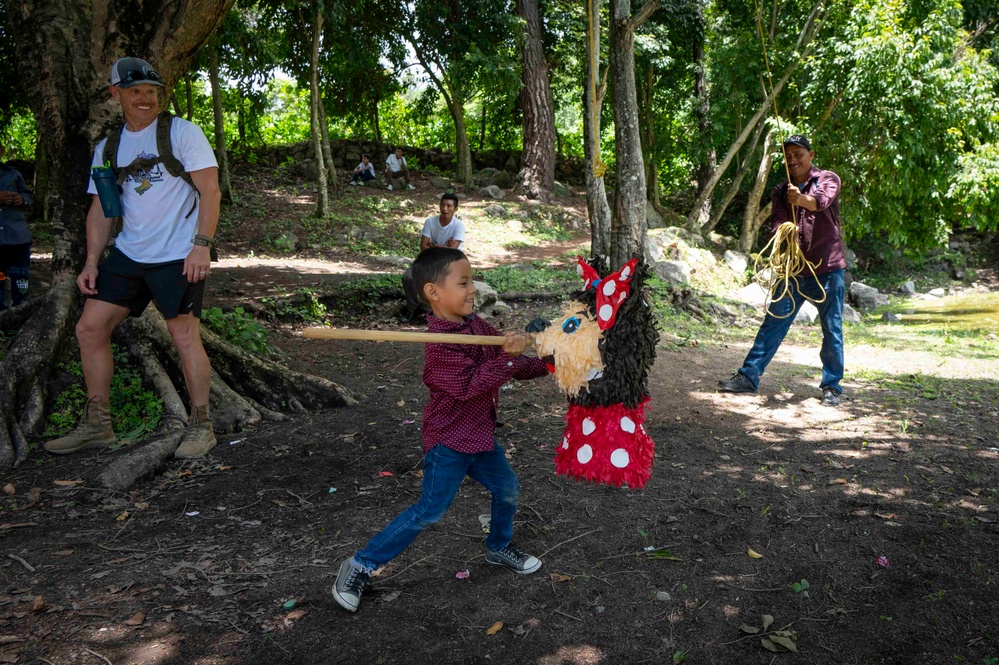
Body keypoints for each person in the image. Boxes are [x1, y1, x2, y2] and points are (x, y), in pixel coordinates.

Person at [332, 246, 549, 613]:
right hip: (449, 442)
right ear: (433, 292)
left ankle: (498, 548)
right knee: (430, 511)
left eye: (471, 281)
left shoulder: (477, 327)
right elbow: (470, 386)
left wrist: (550, 362)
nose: (472, 290)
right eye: (463, 283)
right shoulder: (438, 348)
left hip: (480, 438)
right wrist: (510, 357)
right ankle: (360, 565)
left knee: (507, 488)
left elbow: (511, 364)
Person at [45, 57, 222, 457]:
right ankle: (98, 424)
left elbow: (210, 191)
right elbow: (101, 210)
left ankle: (201, 424)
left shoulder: (182, 133)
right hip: (129, 253)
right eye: (136, 91)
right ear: (116, 94)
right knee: (89, 330)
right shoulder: (107, 147)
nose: (145, 99)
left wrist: (201, 245)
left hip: (178, 254)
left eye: (152, 91)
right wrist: (92, 261)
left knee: (184, 335)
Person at [718, 135, 845, 406]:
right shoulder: (780, 191)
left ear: (811, 155)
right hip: (793, 269)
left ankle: (832, 386)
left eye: (798, 154)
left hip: (827, 268)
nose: (792, 159)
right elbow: (777, 225)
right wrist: (784, 234)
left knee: (831, 328)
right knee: (773, 322)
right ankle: (748, 377)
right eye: (788, 155)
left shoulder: (828, 179)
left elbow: (819, 202)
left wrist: (801, 199)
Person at [400, 192, 465, 323]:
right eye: (443, 205)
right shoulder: (431, 222)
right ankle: (412, 309)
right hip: (428, 260)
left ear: (455, 209)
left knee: (443, 282)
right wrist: (444, 247)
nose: (445, 209)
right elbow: (423, 246)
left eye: (449, 206)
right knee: (408, 277)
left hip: (449, 263)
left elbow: (453, 252)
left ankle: (441, 313)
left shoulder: (458, 226)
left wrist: (435, 246)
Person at [0, 142, 34, 311]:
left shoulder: (13, 174)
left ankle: (20, 314)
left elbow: (28, 195)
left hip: (17, 238)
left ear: (2, 151)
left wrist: (22, 199)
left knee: (20, 278)